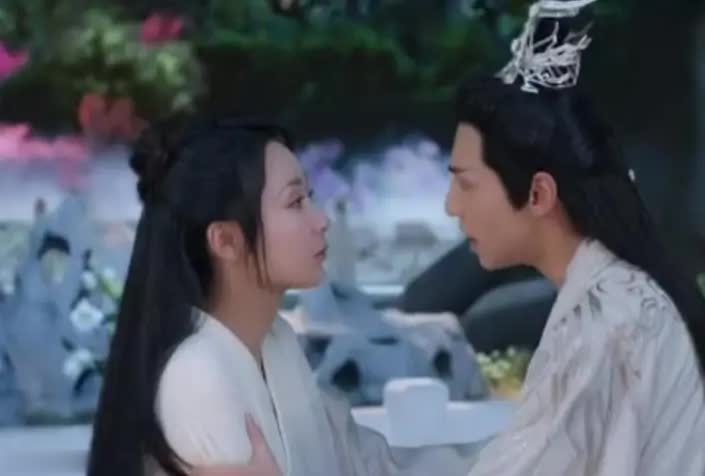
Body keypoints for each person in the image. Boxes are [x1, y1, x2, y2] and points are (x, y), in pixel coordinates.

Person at [208, 1, 705, 474]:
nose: (449, 205)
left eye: (466, 183)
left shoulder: (609, 326)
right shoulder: (608, 302)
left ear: (538, 194)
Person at [87, 117, 471, 476]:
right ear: (226, 241)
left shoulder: (277, 343)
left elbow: (360, 460)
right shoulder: (198, 376)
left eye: (310, 197)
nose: (321, 220)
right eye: (295, 202)